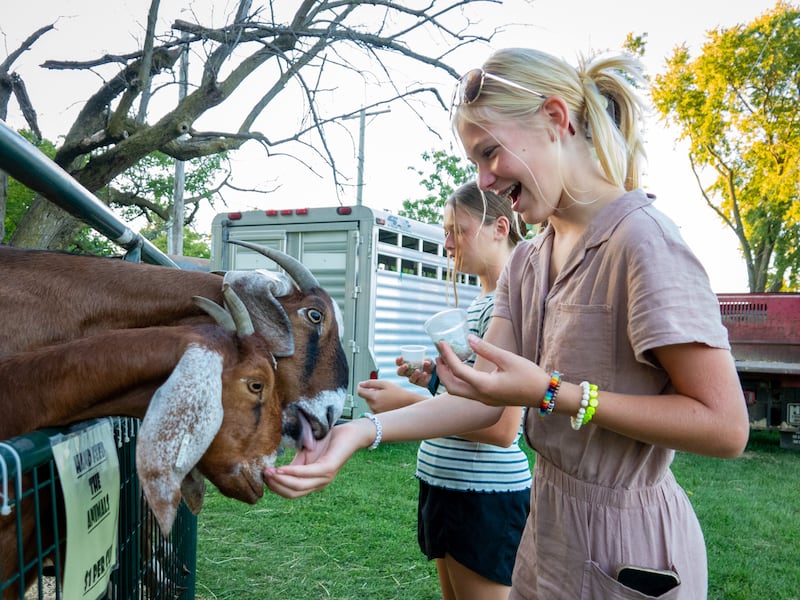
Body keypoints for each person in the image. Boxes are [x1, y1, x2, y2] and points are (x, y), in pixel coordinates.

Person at [265, 48, 750, 599]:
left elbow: (726, 428)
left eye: (490, 153)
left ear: (555, 118)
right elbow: (486, 400)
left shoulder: (644, 242)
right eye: (476, 161)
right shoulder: (528, 259)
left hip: (630, 548)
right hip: (545, 533)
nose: (486, 180)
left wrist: (553, 394)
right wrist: (359, 432)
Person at [358, 181, 531, 600]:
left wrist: (407, 400)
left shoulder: (510, 306)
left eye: (459, 230)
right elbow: (472, 392)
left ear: (499, 227)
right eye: (445, 232)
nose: (448, 244)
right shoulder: (481, 303)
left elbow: (503, 428)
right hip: (445, 483)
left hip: (484, 495)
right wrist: (435, 377)